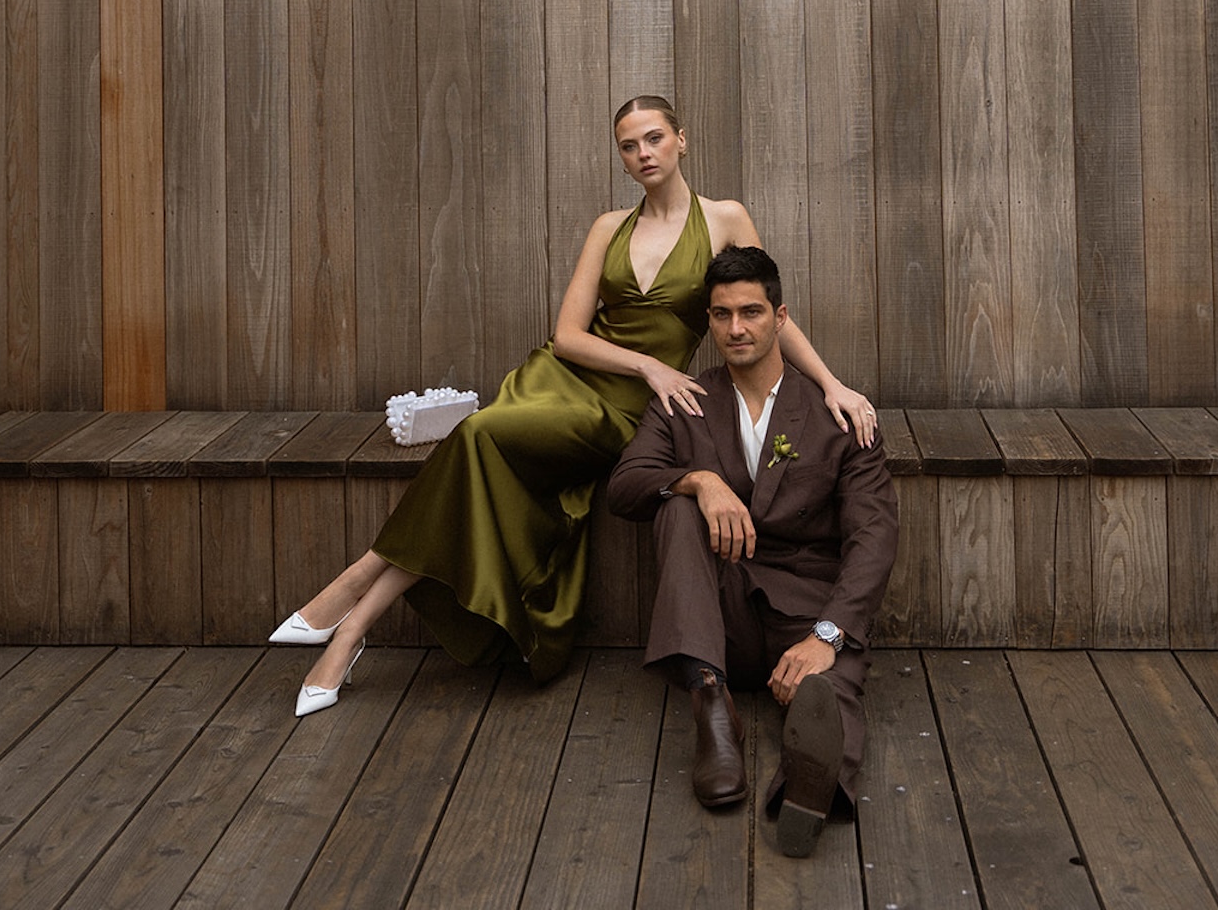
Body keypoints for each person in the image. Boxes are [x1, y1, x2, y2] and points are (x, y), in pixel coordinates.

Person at [270, 96, 877, 716]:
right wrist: (649, 365)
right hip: (562, 381)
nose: (643, 154)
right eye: (628, 146)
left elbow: (767, 310)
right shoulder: (609, 227)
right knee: (478, 440)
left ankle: (349, 601)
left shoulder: (724, 218)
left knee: (475, 440)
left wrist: (831, 384)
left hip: (625, 412)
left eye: (654, 138)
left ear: (681, 140)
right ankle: (349, 625)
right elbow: (568, 335)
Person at [606, 243, 898, 859]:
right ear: (710, 322)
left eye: (751, 312)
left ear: (780, 317)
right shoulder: (684, 402)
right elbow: (625, 487)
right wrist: (698, 480)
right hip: (716, 622)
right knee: (676, 504)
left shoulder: (840, 414)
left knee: (831, 692)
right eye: (721, 315)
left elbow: (873, 537)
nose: (735, 328)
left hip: (805, 613)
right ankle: (712, 708)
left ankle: (806, 792)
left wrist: (827, 635)